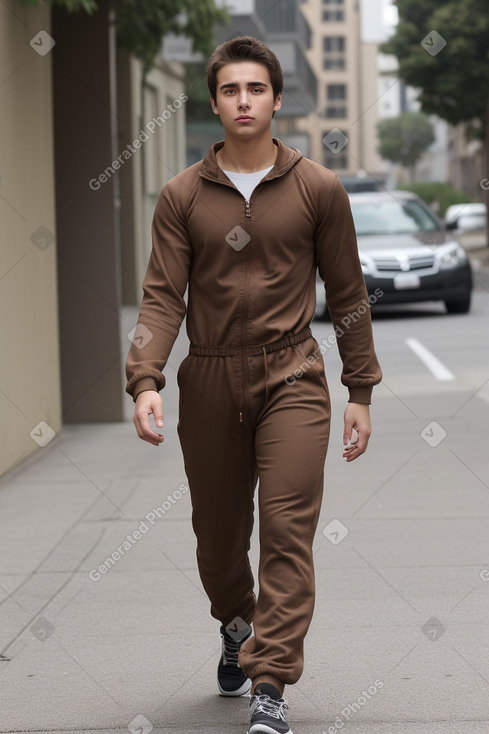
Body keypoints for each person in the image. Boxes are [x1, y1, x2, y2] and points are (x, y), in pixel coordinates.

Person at [125, 35, 382, 734]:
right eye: (231, 90)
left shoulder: (316, 189)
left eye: (256, 88)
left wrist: (358, 389)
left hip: (292, 373)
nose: (244, 100)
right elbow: (160, 297)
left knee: (285, 531)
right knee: (217, 536)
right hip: (208, 375)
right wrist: (145, 377)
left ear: (275, 99)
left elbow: (348, 292)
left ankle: (270, 680)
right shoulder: (181, 194)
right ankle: (236, 625)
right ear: (214, 102)